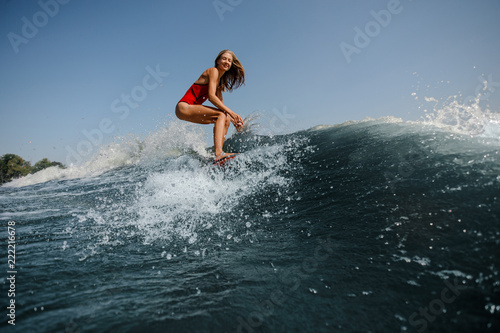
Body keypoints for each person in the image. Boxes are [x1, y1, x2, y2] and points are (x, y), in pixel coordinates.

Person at [175, 50, 245, 163]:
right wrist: (232, 112)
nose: (226, 62)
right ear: (217, 60)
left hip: (188, 109)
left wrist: (233, 120)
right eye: (224, 58)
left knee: (225, 118)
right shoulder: (213, 71)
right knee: (220, 115)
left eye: (229, 60)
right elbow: (212, 97)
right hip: (184, 106)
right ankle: (219, 153)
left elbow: (221, 106)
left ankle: (218, 157)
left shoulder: (219, 82)